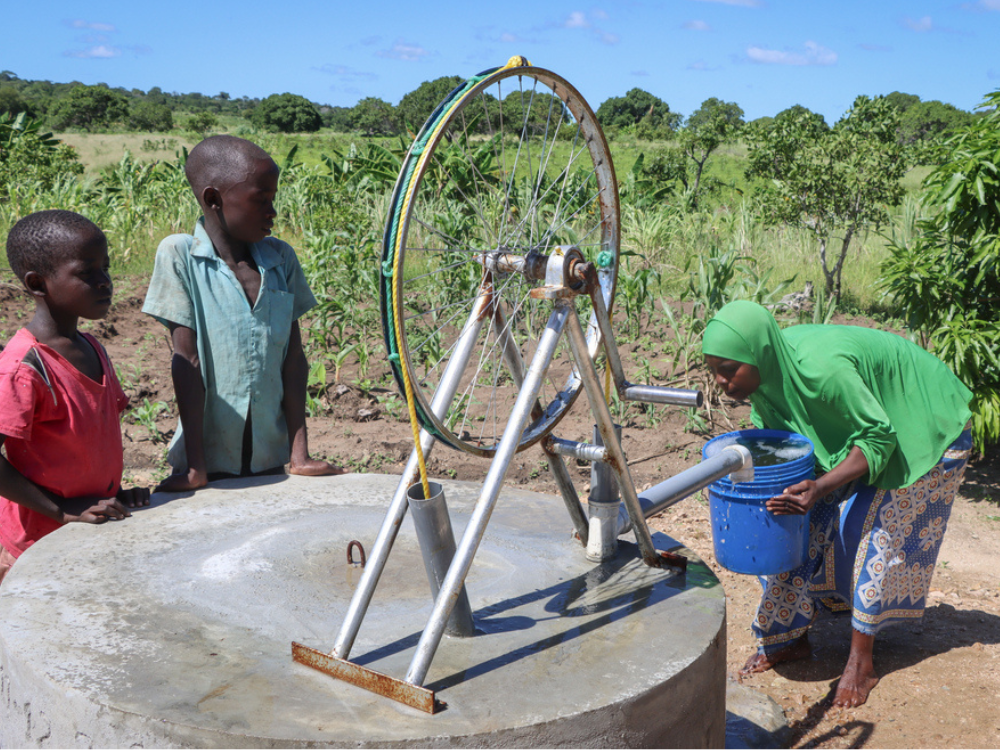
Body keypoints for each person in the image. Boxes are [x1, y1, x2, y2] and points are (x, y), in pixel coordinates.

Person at [702, 300, 972, 708]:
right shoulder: (770, 378)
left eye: (728, 369)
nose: (720, 381)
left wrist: (822, 487)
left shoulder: (822, 370)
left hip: (922, 422)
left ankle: (861, 662)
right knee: (793, 523)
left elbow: (880, 438)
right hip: (868, 429)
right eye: (714, 370)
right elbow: (789, 442)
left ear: (758, 355)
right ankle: (789, 638)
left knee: (873, 535)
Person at [143, 135, 345, 490]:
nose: (273, 212)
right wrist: (195, 468)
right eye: (260, 200)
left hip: (270, 457)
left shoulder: (280, 258)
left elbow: (293, 359)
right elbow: (187, 361)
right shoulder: (180, 255)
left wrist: (299, 456)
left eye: (273, 199)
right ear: (213, 199)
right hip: (208, 459)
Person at [0, 210, 149, 584]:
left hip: (84, 526)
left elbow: (86, 439)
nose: (105, 283)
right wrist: (61, 508)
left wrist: (112, 493)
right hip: (40, 542)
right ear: (38, 283)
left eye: (107, 268)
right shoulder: (24, 367)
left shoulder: (91, 348)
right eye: (87, 273)